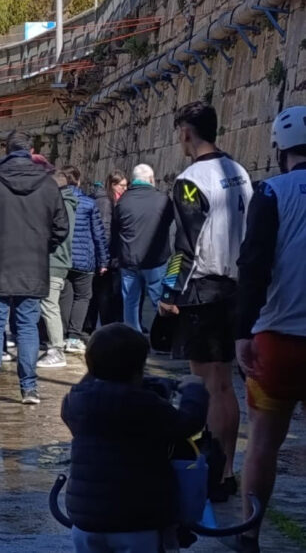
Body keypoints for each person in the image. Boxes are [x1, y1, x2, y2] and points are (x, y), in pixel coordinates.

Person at [159, 101, 252, 502]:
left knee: (210, 385)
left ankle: (213, 473)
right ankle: (228, 467)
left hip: (204, 289)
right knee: (227, 386)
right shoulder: (239, 172)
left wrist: (169, 291)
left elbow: (186, 241)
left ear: (186, 132)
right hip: (239, 286)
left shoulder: (190, 179)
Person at [62, 323, 209, 552]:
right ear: (137, 369)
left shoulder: (76, 402)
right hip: (136, 521)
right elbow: (187, 424)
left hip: (86, 520)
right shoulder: (144, 404)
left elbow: (97, 383)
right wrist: (194, 392)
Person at [233, 106, 306, 553]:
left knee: (263, 441)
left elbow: (253, 265)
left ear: (279, 149)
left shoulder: (271, 193)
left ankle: (248, 533)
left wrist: (242, 330)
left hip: (276, 338)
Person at [0, 131, 70, 404]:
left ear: (5, 149)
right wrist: (42, 249)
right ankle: (29, 389)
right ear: (31, 149)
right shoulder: (47, 183)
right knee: (27, 326)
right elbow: (61, 228)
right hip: (33, 265)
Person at [113, 164, 173, 334]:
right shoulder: (163, 199)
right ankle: (163, 337)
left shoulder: (123, 201)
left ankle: (132, 338)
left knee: (130, 301)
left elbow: (116, 228)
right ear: (152, 179)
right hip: (155, 259)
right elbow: (169, 221)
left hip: (129, 259)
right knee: (159, 299)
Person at [58, 166, 110, 355]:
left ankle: (61, 335)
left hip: (62, 257)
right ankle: (74, 337)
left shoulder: (56, 201)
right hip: (85, 259)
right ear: (79, 181)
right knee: (82, 297)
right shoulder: (89, 203)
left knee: (65, 296)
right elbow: (99, 235)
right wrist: (103, 261)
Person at [39, 170, 78, 368]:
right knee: (48, 305)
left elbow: (58, 234)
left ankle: (56, 350)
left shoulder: (61, 205)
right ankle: (52, 347)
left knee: (49, 305)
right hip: (57, 260)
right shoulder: (67, 203)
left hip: (54, 260)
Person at [86, 171, 128, 330]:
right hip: (106, 257)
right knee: (104, 295)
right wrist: (105, 258)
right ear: (113, 185)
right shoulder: (105, 202)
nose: (125, 189)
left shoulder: (106, 200)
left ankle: (93, 327)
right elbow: (104, 231)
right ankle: (103, 329)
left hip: (104, 256)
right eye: (122, 186)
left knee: (99, 295)